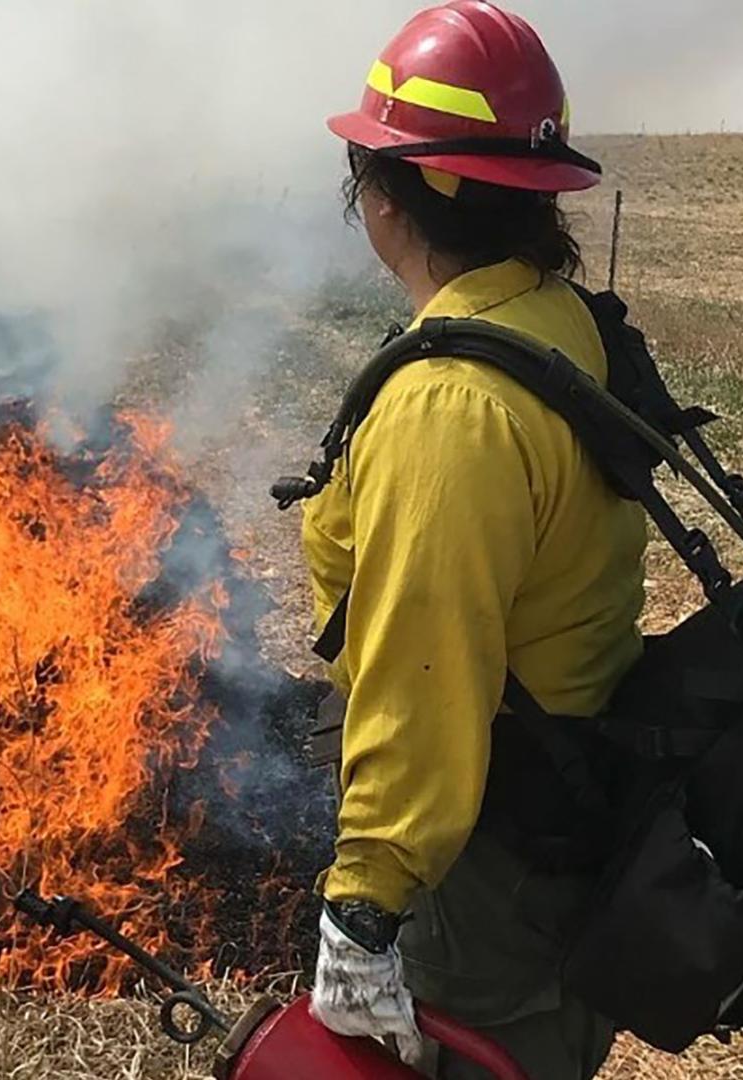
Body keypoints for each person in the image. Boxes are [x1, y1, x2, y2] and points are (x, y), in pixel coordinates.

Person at [302, 4, 646, 1077]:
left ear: (396, 197)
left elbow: (426, 666)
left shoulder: (452, 407)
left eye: (368, 167)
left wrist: (364, 910)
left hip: (493, 856)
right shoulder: (550, 319)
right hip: (575, 812)